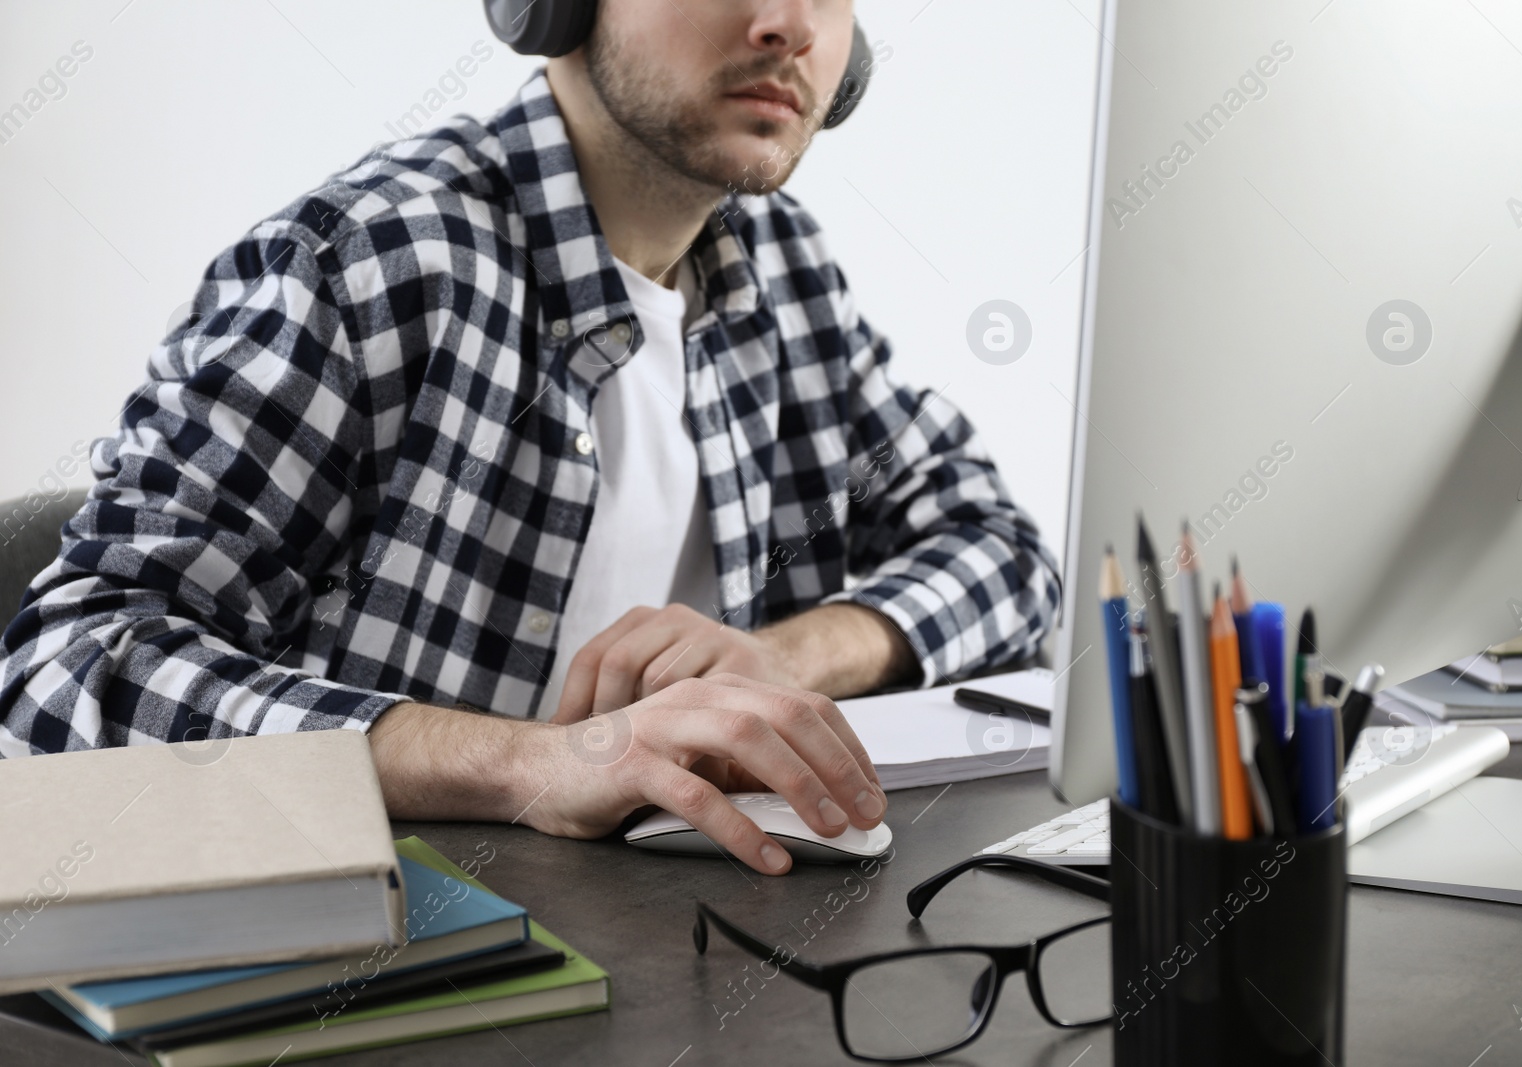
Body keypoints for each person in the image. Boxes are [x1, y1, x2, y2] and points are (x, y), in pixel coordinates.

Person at [0, 0, 1059, 875]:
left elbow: (1001, 548)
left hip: (684, 953)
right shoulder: (365, 263)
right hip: (383, 960)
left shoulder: (782, 269)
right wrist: (536, 762)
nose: (787, 24)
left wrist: (782, 657)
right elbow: (71, 664)